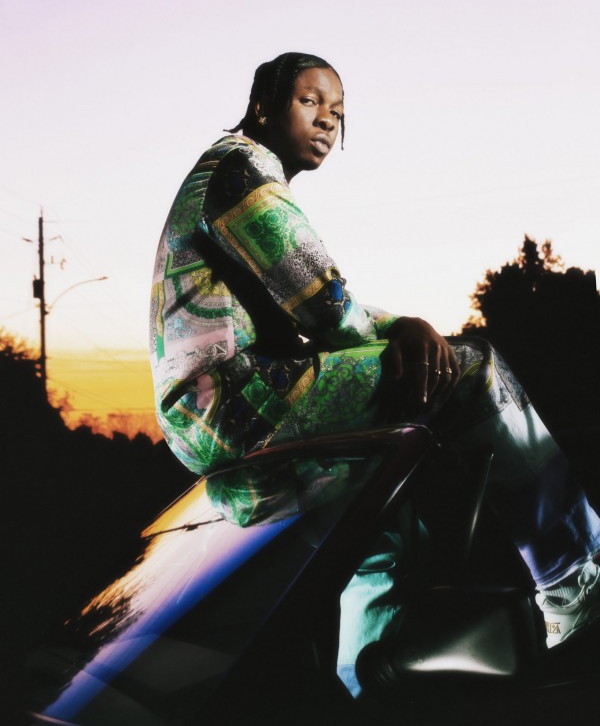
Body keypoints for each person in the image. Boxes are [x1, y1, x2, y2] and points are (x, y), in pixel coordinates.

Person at [149, 52, 600, 692]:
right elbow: (326, 307)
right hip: (234, 402)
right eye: (310, 101)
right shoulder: (240, 171)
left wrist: (402, 326)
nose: (327, 121)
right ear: (263, 107)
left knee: (378, 519)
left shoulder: (230, 173)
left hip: (213, 417)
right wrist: (408, 330)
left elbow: (324, 310)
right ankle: (576, 580)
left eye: (338, 112)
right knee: (472, 369)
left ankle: (367, 687)